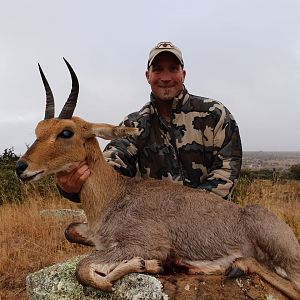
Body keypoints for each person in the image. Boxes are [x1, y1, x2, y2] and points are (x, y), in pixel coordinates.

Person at [56, 41, 242, 202]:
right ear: (148, 76)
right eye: (158, 69)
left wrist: (185, 215)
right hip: (154, 227)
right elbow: (113, 166)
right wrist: (72, 186)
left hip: (211, 221)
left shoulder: (214, 114)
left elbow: (226, 172)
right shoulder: (133, 124)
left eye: (173, 69)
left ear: (183, 74)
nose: (166, 77)